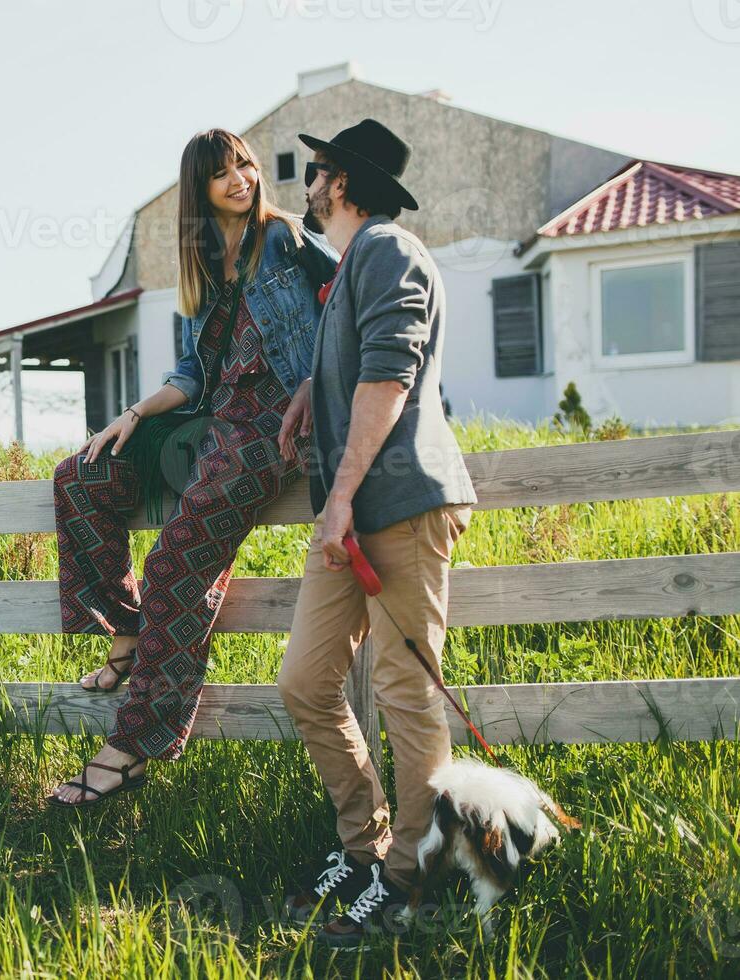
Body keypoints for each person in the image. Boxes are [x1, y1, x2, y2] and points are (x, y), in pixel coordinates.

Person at [48, 128, 338, 807]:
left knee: (176, 559)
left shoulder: (288, 239)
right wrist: (136, 416)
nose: (240, 177)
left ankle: (132, 748)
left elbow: (353, 295)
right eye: (222, 172)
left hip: (274, 425)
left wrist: (320, 383)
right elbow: (190, 373)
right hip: (213, 420)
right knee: (82, 475)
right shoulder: (205, 262)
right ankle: (124, 632)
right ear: (199, 190)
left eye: (244, 163)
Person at [273, 118, 478, 945]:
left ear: (344, 182)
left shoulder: (389, 248)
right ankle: (366, 848)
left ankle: (409, 880)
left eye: (316, 172)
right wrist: (307, 393)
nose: (308, 185)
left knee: (404, 691)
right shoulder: (357, 261)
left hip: (393, 501)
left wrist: (340, 496)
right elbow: (361, 367)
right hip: (356, 511)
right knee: (306, 681)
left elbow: (391, 373)